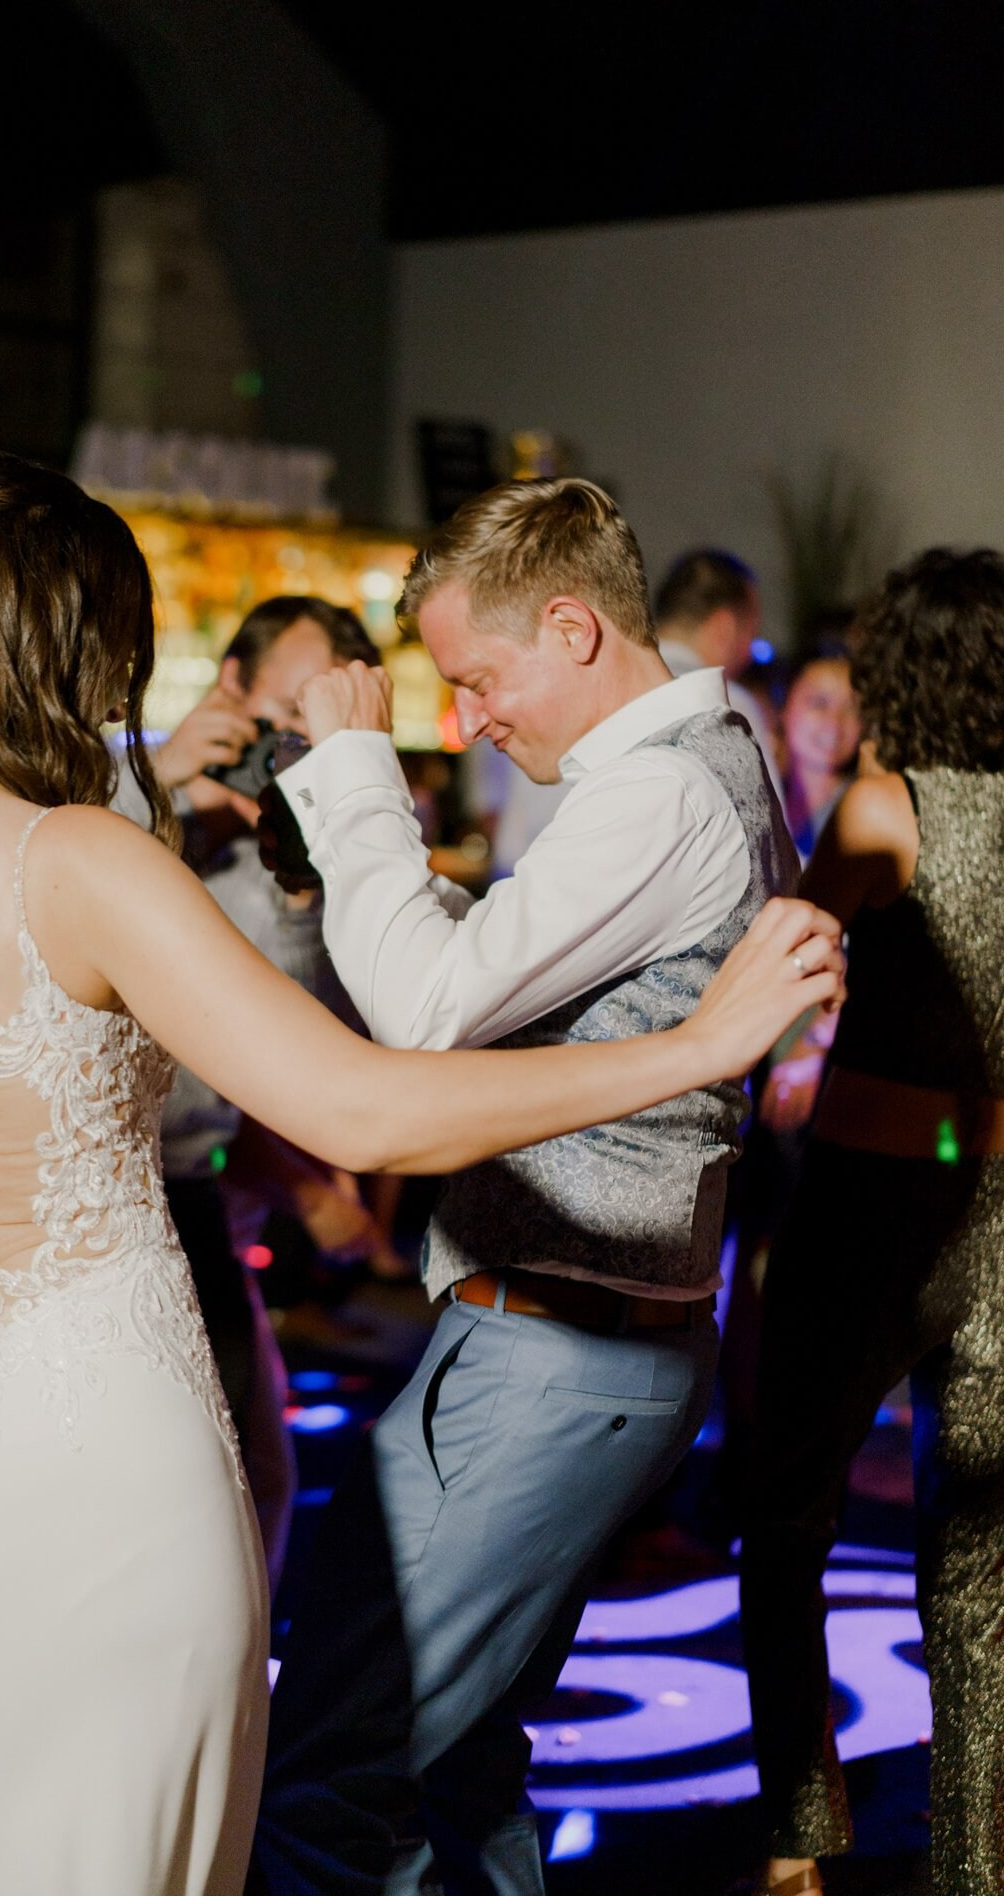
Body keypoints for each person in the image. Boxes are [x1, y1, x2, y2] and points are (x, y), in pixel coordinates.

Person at [0, 452, 840, 1896]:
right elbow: (365, 1111)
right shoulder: (84, 863)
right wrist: (696, 1047)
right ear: (72, 648)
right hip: (98, 1443)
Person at [250, 478, 809, 1896]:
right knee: (457, 1766)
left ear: (569, 629)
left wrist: (358, 775)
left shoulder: (662, 793)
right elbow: (503, 978)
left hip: (552, 1355)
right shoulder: (698, 753)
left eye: (478, 681)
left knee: (331, 1767)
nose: (472, 720)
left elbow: (431, 1014)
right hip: (573, 1347)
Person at [739, 549, 1004, 1896]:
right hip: (997, 1214)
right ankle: (970, 1862)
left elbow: (780, 952)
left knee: (785, 1515)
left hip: (865, 1203)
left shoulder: (883, 805)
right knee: (974, 1563)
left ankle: (797, 1847)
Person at [116, 593, 395, 1583]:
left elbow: (285, 1028)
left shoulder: (292, 851)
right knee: (221, 1473)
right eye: (276, 721)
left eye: (306, 736)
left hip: (205, 1183)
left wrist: (301, 869)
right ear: (229, 684)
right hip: (116, 1195)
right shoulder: (112, 780)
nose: (283, 751)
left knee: (250, 1473)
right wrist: (159, 783)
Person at [655, 545, 784, 796]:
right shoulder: (726, 702)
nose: (749, 652)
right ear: (724, 627)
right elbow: (767, 828)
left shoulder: (603, 686)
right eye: (751, 633)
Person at [775, 649, 862, 864]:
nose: (834, 722)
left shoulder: (866, 811)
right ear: (785, 708)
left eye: (852, 708)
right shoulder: (760, 796)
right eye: (819, 703)